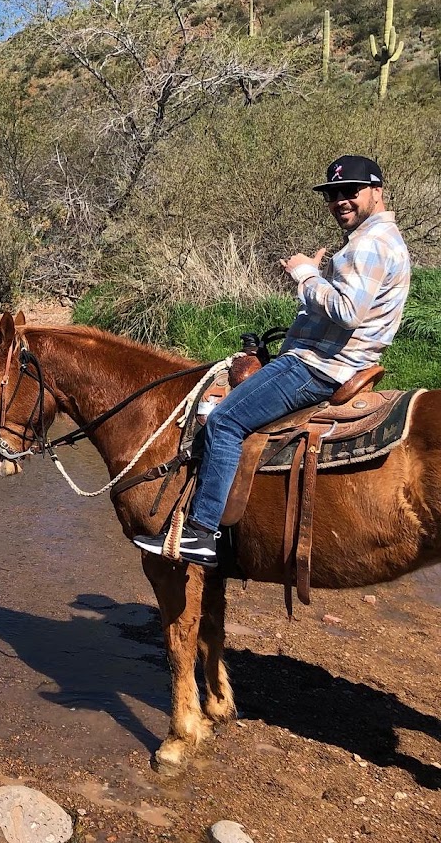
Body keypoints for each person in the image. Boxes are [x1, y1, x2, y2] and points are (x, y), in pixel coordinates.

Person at [133, 155, 411, 567]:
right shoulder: (383, 240)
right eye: (333, 194)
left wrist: (305, 275)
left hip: (317, 366)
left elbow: (348, 311)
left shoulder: (369, 243)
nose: (339, 201)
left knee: (225, 420)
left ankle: (201, 532)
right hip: (333, 360)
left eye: (349, 191)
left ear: (376, 190)